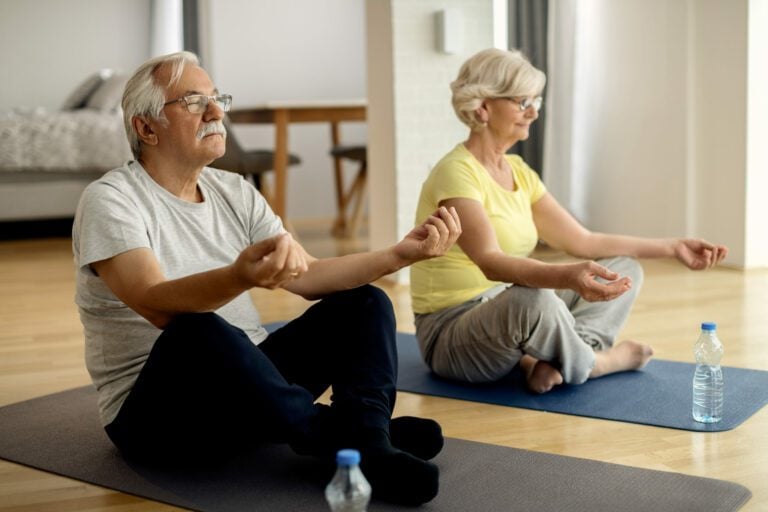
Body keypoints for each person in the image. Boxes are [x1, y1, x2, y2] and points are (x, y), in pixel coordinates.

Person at [72, 51, 461, 506]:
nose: (217, 112)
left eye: (217, 99)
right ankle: (345, 438)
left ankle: (364, 433)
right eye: (196, 102)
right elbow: (156, 304)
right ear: (146, 127)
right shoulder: (111, 200)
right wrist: (240, 276)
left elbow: (309, 275)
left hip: (249, 397)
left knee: (365, 302)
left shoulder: (234, 190)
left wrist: (399, 255)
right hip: (158, 420)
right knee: (195, 328)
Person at [410, 48, 728, 394]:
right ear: (484, 107)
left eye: (536, 102)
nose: (532, 112)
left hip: (505, 317)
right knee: (532, 300)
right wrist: (566, 277)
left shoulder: (518, 171)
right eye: (521, 102)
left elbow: (583, 242)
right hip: (451, 334)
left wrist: (672, 246)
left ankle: (553, 361)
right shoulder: (456, 173)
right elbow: (491, 263)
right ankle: (595, 363)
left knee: (622, 268)